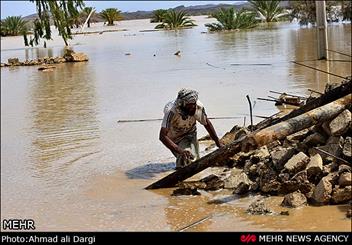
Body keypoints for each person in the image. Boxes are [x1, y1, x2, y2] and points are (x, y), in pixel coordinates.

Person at [159, 89, 223, 170]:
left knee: (193, 159)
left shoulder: (198, 107)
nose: (193, 107)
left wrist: (217, 142)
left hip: (190, 134)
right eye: (189, 105)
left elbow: (207, 123)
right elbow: (162, 136)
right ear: (182, 104)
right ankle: (180, 178)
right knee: (184, 158)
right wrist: (179, 150)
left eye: (194, 104)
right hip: (173, 138)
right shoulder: (171, 111)